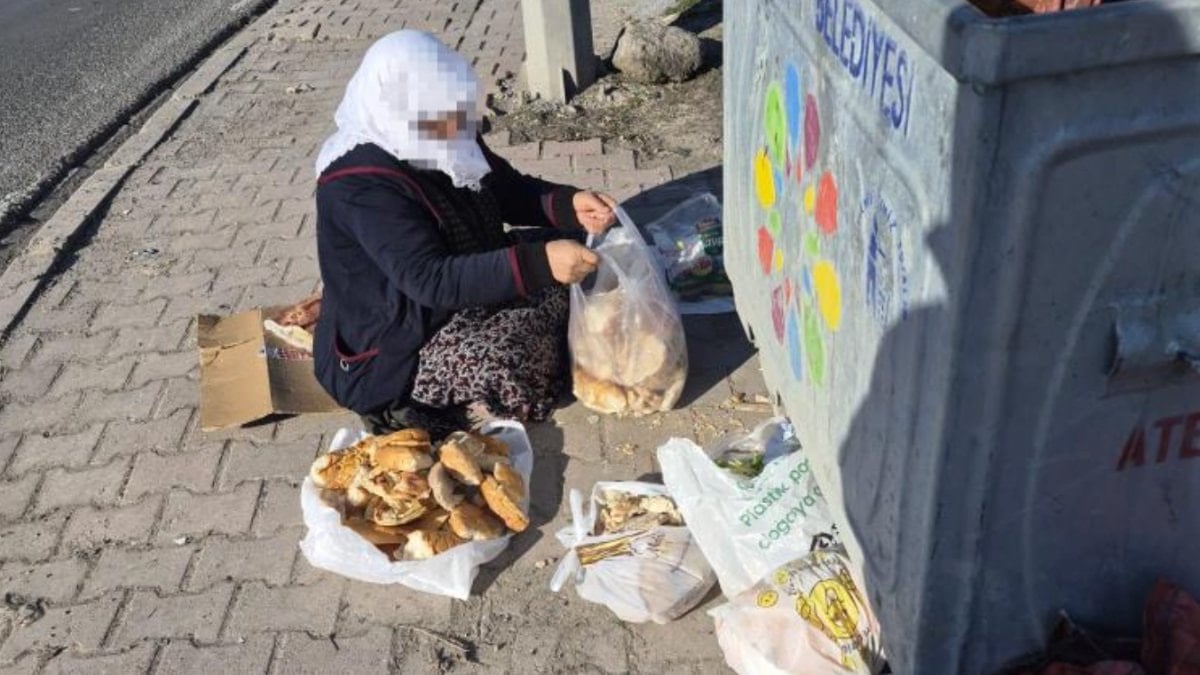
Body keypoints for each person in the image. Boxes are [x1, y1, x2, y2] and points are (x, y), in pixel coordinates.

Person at [312, 30, 617, 439]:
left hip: (459, 281)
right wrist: (543, 263)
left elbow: (503, 188)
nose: (455, 124)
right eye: (440, 114)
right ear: (398, 106)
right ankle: (411, 411)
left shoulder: (442, 127)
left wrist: (569, 203)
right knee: (510, 361)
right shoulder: (359, 185)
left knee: (580, 260)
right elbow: (430, 279)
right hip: (401, 334)